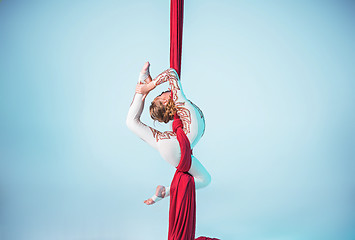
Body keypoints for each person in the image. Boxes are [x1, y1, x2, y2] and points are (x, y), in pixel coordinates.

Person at [126, 62, 211, 205]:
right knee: (205, 180)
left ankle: (163, 192)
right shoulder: (179, 101)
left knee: (132, 122)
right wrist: (149, 86)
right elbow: (171, 73)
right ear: (165, 102)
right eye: (160, 94)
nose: (164, 91)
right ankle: (142, 84)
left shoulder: (179, 109)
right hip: (176, 145)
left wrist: (146, 87)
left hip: (171, 143)